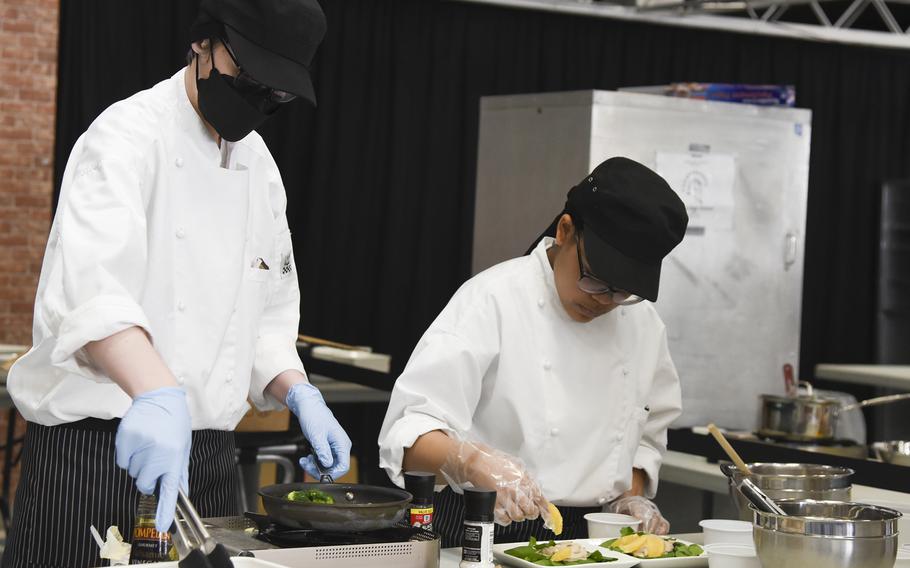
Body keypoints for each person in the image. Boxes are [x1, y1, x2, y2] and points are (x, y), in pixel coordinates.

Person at [2, 1, 351, 567]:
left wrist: (297, 390)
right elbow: (93, 295)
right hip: (98, 451)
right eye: (250, 78)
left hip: (209, 460)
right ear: (203, 43)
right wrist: (158, 393)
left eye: (277, 93)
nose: (260, 100)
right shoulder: (125, 136)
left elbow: (264, 318)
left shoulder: (260, 170)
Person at [378, 157, 689, 547]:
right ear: (565, 230)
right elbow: (409, 433)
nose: (604, 301)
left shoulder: (644, 325)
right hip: (482, 528)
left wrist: (631, 497)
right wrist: (472, 462)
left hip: (595, 540)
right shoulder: (492, 298)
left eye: (622, 292)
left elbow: (648, 437)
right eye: (594, 279)